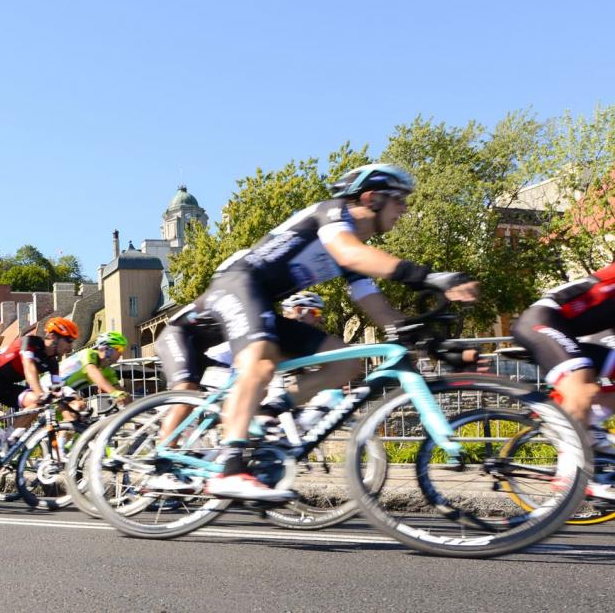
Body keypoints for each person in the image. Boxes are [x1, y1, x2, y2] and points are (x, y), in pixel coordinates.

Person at [157, 164, 478, 501]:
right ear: (372, 197)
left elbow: (372, 301)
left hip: (262, 300)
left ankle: (268, 415)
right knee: (261, 362)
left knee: (344, 364)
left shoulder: (355, 241)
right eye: (400, 200)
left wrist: (421, 338)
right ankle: (230, 469)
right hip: (239, 283)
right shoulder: (333, 214)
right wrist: (428, 276)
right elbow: (350, 253)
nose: (405, 209)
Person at [513, 262, 615, 500]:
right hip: (543, 320)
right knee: (582, 391)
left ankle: (590, 428)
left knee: (589, 390)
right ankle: (570, 475)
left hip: (568, 331)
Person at [0, 317, 80, 486]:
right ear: (54, 337)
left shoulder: (52, 363)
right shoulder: (30, 342)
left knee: (38, 404)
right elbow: (29, 369)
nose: (70, 347)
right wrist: (40, 392)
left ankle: (7, 439)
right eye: (68, 341)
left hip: (8, 386)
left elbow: (57, 391)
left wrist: (72, 411)